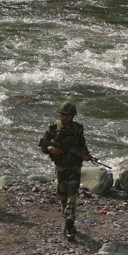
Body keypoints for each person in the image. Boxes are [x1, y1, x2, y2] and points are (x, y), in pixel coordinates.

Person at [39, 101, 92, 242]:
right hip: (61, 167)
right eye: (63, 115)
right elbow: (43, 145)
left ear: (73, 116)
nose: (65, 118)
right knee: (62, 196)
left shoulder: (78, 128)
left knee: (72, 195)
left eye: (68, 115)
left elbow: (83, 145)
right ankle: (67, 220)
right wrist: (52, 149)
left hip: (75, 166)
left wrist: (85, 155)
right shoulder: (53, 128)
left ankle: (70, 224)